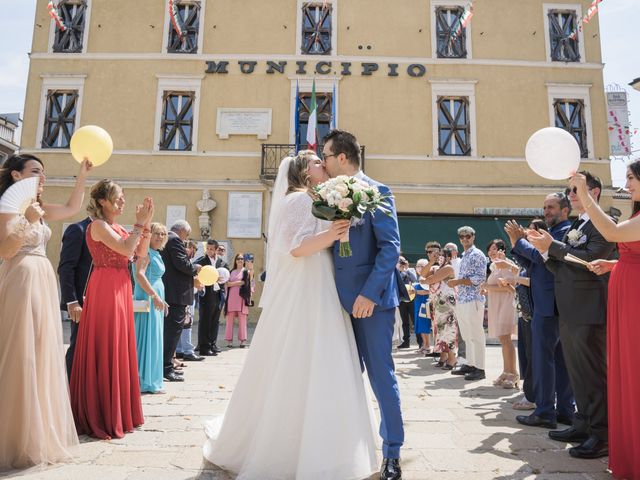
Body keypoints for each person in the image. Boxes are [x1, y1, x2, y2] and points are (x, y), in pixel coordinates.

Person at [203, 150, 378, 480]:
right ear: (305, 173)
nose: (322, 165)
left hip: (318, 280)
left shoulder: (309, 198)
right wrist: (334, 234)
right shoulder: (297, 200)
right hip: (307, 285)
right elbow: (295, 247)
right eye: (315, 162)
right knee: (307, 351)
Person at [322, 130, 404, 480]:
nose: (322, 163)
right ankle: (345, 446)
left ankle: (392, 452)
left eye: (325, 156)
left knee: (381, 376)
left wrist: (369, 294)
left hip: (370, 303)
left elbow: (390, 248)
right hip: (333, 302)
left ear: (342, 157)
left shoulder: (378, 191)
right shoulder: (326, 195)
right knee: (340, 374)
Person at [0, 154, 91, 468]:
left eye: (44, 172)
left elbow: (70, 209)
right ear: (16, 175)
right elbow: (7, 249)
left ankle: (36, 435)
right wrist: (26, 218)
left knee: (40, 354)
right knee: (19, 354)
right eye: (35, 171)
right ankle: (13, 438)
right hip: (21, 278)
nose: (42, 177)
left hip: (42, 278)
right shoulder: (9, 206)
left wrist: (81, 175)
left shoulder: (38, 206)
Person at [528, 171, 616, 459]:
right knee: (578, 375)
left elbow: (590, 260)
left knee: (592, 375)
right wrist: (544, 252)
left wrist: (552, 247)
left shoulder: (603, 225)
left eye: (577, 190)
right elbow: (561, 266)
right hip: (569, 309)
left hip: (589, 310)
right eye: (571, 192)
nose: (572, 197)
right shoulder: (577, 225)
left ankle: (601, 435)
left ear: (596, 193)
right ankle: (582, 424)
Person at [568, 161, 640, 477]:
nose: (627, 183)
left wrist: (585, 195)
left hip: (635, 300)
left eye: (631, 177)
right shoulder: (635, 215)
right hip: (625, 295)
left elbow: (610, 231)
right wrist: (614, 265)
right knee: (623, 370)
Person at [70, 180, 153, 440]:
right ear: (103, 201)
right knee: (107, 344)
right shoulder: (98, 226)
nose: (122, 201)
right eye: (118, 197)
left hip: (120, 287)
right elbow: (126, 248)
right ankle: (101, 413)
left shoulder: (116, 226)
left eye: (123, 197)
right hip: (105, 286)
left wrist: (147, 224)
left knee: (118, 346)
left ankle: (119, 411)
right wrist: (139, 225)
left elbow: (140, 254)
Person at [508, 197, 574, 429]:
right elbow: (532, 261)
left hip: (550, 304)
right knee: (559, 360)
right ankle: (565, 410)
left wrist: (519, 241)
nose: (546, 211)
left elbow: (540, 256)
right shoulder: (553, 230)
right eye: (545, 207)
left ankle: (546, 411)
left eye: (551, 207)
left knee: (544, 359)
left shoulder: (564, 231)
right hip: (549, 303)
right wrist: (517, 244)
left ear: (565, 210)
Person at [161, 220, 201, 382]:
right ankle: (166, 368)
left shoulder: (167, 239)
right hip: (176, 294)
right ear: (182, 231)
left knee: (169, 332)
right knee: (172, 332)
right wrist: (195, 268)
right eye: (187, 234)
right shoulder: (174, 240)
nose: (186, 238)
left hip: (169, 293)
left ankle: (166, 365)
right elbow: (182, 264)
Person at [133, 222, 169, 394]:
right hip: (147, 297)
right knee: (147, 337)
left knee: (154, 338)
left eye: (162, 234)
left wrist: (161, 298)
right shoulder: (144, 251)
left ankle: (152, 379)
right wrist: (155, 296)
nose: (160, 237)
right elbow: (139, 275)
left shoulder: (156, 253)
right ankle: (144, 380)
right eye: (156, 233)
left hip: (155, 296)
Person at [448, 226, 487, 381]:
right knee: (467, 335)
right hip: (463, 299)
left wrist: (457, 281)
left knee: (476, 335)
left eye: (468, 236)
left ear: (473, 236)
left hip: (473, 299)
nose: (464, 239)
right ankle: (471, 364)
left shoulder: (477, 254)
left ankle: (480, 368)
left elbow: (479, 279)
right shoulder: (465, 255)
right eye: (462, 236)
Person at [58, 214, 93, 380]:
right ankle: (66, 387)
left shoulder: (112, 231)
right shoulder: (78, 229)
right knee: (78, 346)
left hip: (104, 300)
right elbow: (66, 267)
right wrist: (71, 301)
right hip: (81, 301)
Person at [483, 239, 519, 389]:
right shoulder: (493, 265)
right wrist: (487, 289)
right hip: (496, 304)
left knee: (506, 339)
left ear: (502, 250)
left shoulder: (505, 263)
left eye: (494, 249)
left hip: (506, 304)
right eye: (489, 249)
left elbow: (508, 286)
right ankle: (506, 371)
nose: (491, 252)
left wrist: (487, 287)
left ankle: (513, 373)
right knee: (503, 340)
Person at [421, 253, 458, 370]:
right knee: (440, 332)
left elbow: (430, 279)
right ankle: (443, 356)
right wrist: (431, 262)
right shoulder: (437, 268)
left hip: (447, 304)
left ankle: (452, 359)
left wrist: (425, 280)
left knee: (449, 331)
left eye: (442, 255)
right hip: (438, 303)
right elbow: (422, 274)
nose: (439, 258)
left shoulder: (448, 268)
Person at [177, 239, 204, 362]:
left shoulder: (186, 261)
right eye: (193, 248)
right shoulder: (185, 262)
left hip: (189, 295)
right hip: (186, 295)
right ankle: (187, 350)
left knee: (184, 324)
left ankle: (180, 349)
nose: (193, 251)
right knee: (187, 324)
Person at [196, 239, 223, 355]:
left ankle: (212, 344)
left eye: (212, 249)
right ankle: (204, 347)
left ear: (216, 250)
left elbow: (225, 272)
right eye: (207, 248)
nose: (209, 251)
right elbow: (194, 270)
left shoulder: (220, 261)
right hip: (206, 295)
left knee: (215, 320)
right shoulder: (201, 261)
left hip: (218, 294)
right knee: (205, 320)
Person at [224, 253, 253, 348]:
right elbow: (227, 284)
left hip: (242, 299)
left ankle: (242, 341)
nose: (240, 260)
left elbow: (248, 283)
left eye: (241, 258)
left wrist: (233, 283)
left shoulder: (246, 272)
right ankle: (229, 341)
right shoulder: (231, 271)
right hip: (231, 299)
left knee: (242, 320)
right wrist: (239, 283)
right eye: (238, 258)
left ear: (244, 261)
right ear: (235, 261)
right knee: (229, 320)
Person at [397, 255, 418, 349]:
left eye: (402, 261)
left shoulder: (410, 270)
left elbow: (415, 280)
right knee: (404, 322)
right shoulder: (396, 272)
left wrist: (406, 268)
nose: (401, 263)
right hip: (401, 299)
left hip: (411, 298)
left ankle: (420, 342)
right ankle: (406, 342)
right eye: (399, 261)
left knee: (415, 320)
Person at [413, 258, 431, 354]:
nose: (419, 268)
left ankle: (427, 345)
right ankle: (424, 344)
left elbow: (430, 291)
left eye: (422, 266)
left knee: (424, 325)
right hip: (417, 303)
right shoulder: (418, 279)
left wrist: (418, 292)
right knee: (419, 325)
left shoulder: (428, 278)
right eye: (418, 266)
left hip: (425, 304)